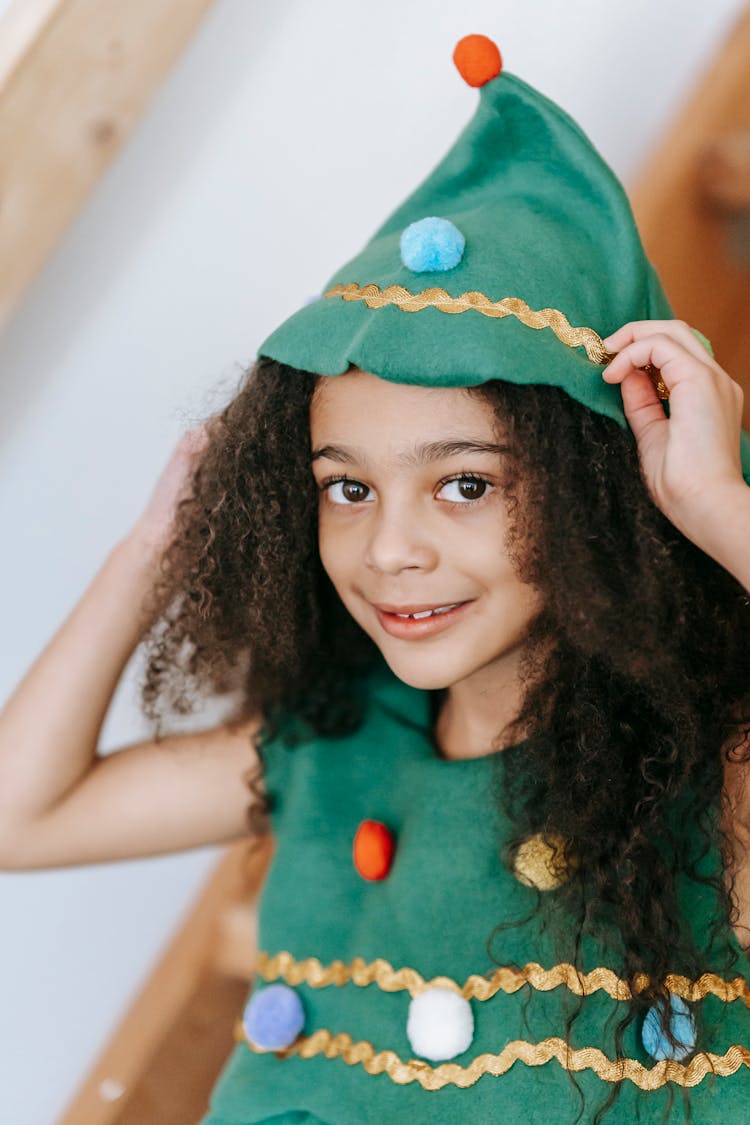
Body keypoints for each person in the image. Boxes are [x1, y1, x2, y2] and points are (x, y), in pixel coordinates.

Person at [1, 31, 750, 1125]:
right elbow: (22, 816)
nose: (388, 547)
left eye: (465, 486)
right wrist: (156, 544)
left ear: (601, 494)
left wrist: (716, 507)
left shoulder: (712, 766)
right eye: (345, 489)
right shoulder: (333, 750)